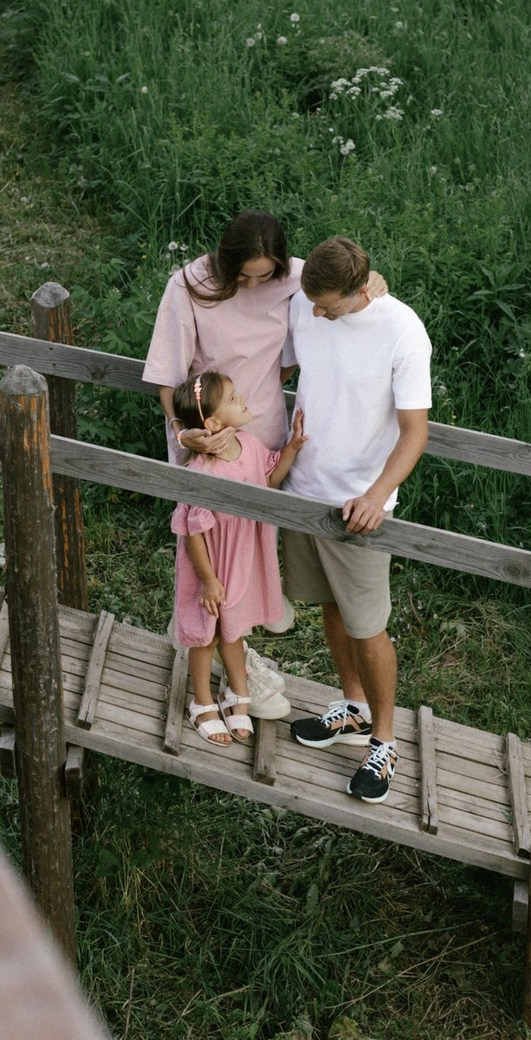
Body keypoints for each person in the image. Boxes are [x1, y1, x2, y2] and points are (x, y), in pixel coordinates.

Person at [143, 210, 385, 712]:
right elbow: (168, 380)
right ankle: (207, 644)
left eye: (263, 276)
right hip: (205, 444)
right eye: (242, 275)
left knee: (248, 552)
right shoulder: (188, 286)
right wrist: (184, 432)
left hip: (263, 445)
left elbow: (340, 295)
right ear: (224, 260)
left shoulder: (295, 278)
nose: (253, 284)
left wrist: (374, 283)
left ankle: (235, 651)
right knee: (205, 547)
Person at [281, 237, 431, 804]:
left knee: (368, 626)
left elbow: (415, 432)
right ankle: (353, 707)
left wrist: (377, 494)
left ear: (362, 290)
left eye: (329, 307)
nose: (316, 314)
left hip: (359, 506)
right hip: (304, 492)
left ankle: (385, 740)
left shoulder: (402, 331)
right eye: (312, 303)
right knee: (329, 607)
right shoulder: (308, 295)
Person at [169, 371, 307, 748]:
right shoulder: (202, 469)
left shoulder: (250, 443)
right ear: (212, 423)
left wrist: (292, 448)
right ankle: (201, 701)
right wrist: (209, 580)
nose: (243, 399)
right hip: (210, 564)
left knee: (234, 628)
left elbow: (270, 480)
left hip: (242, 555)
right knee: (206, 633)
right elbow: (193, 532)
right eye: (233, 398)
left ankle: (237, 696)